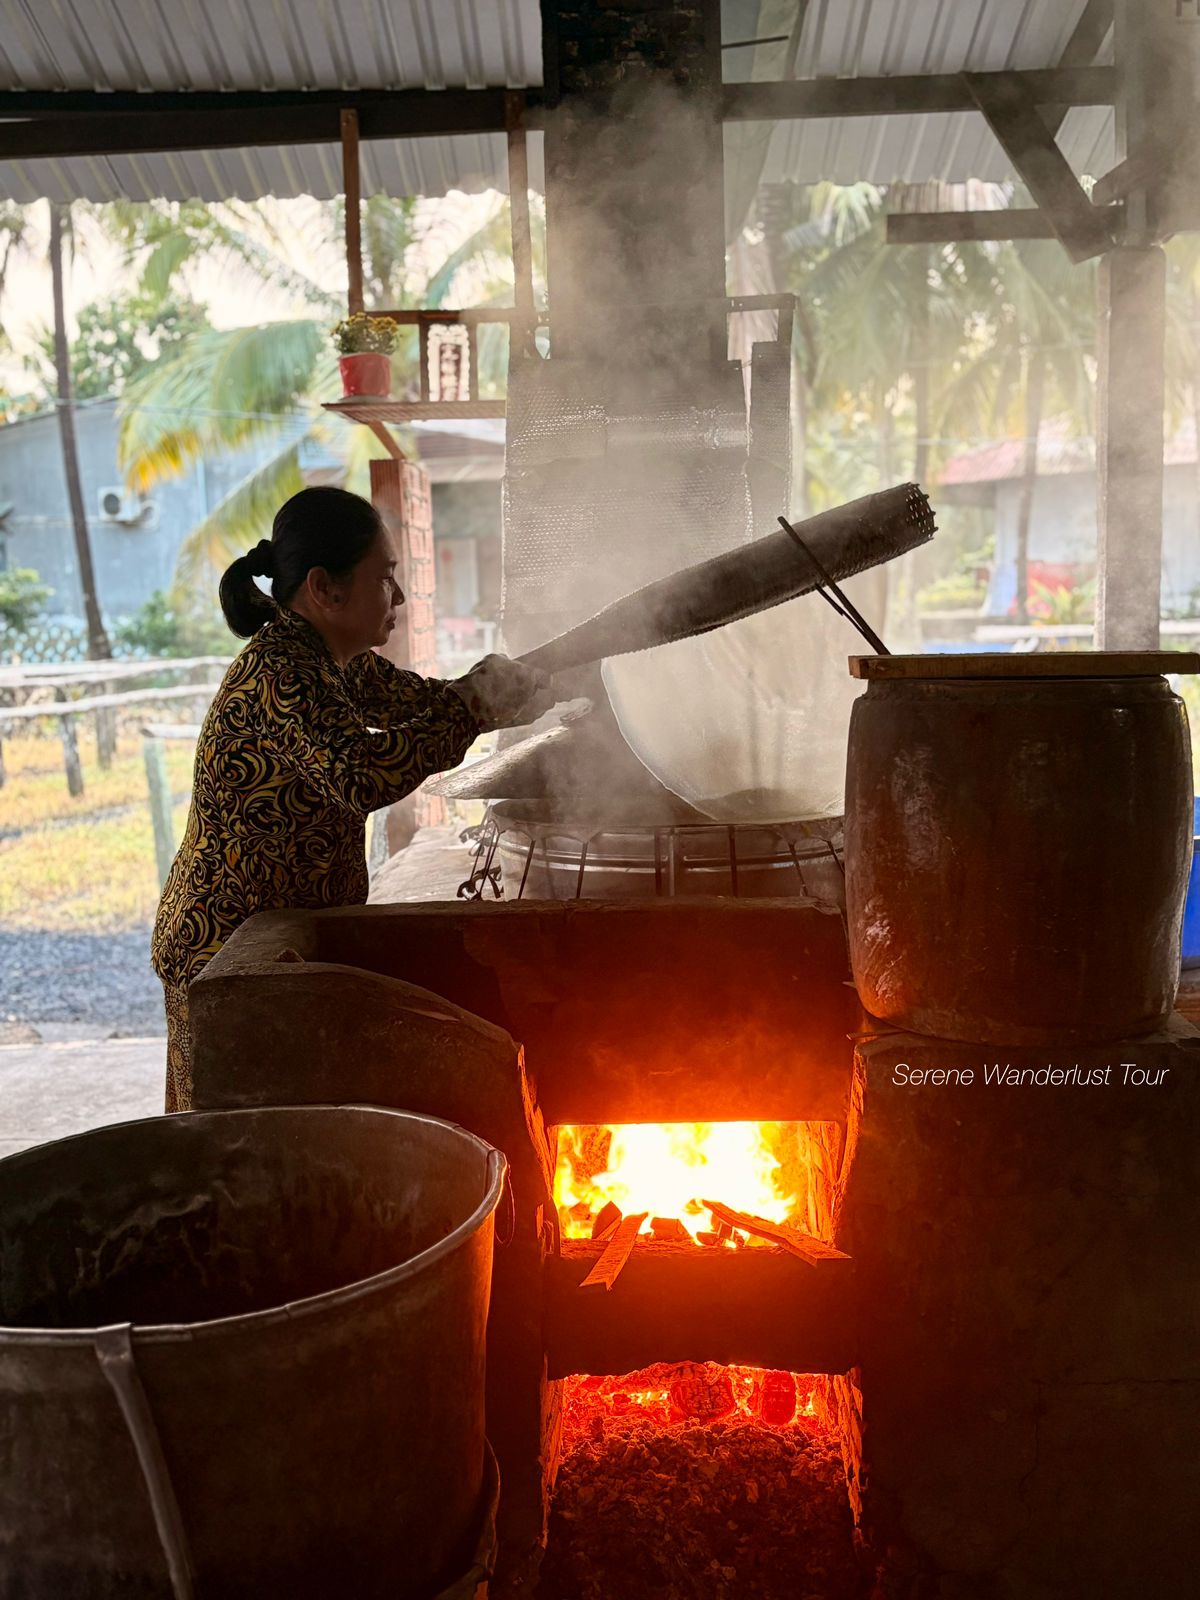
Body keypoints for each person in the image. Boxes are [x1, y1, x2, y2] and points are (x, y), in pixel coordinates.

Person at [151, 485, 551, 1112]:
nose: (395, 596)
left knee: (290, 1128)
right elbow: (361, 775)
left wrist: (517, 690)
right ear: (325, 588)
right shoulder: (283, 671)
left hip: (280, 937)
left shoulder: (336, 661)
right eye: (383, 578)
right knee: (227, 1145)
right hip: (224, 951)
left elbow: (424, 703)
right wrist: (475, 704)